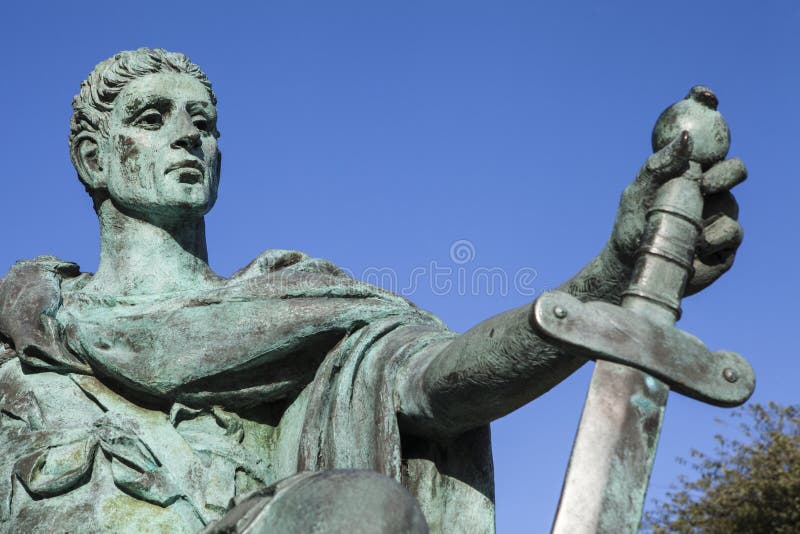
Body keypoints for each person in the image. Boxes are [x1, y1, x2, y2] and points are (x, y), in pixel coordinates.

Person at [0, 48, 745, 533]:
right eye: (153, 119)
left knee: (360, 509)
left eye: (205, 122)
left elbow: (442, 381)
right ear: (95, 158)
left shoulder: (305, 310)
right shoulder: (24, 360)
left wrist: (611, 276)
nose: (189, 137)